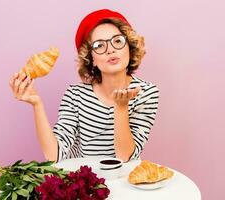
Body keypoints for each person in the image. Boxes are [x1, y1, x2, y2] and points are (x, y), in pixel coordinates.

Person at [9, 9, 159, 163]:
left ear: (129, 47)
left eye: (118, 41)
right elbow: (54, 156)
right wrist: (36, 104)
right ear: (91, 58)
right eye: (99, 45)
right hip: (86, 183)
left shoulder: (147, 93)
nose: (110, 49)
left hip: (127, 181)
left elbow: (124, 157)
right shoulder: (75, 95)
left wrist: (121, 108)